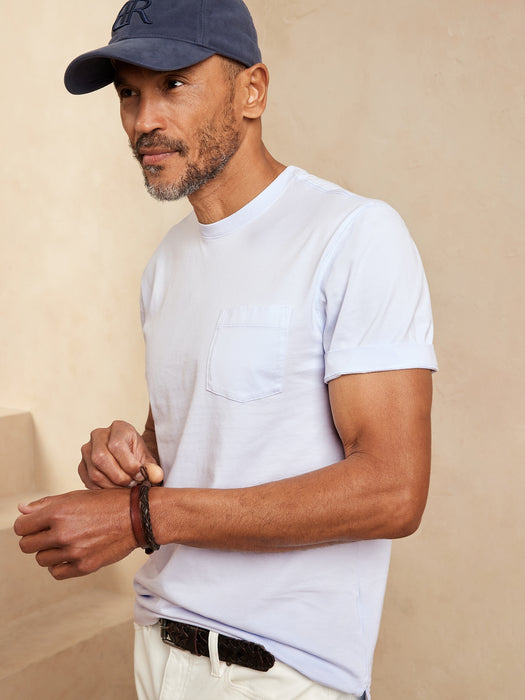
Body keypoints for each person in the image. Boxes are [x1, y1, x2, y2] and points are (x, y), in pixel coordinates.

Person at [14, 1, 438, 698]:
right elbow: (186, 450)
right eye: (128, 92)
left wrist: (138, 519)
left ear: (252, 91)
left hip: (280, 674)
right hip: (159, 652)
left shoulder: (353, 236)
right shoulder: (166, 263)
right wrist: (126, 462)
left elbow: (393, 491)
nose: (143, 119)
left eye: (173, 83)